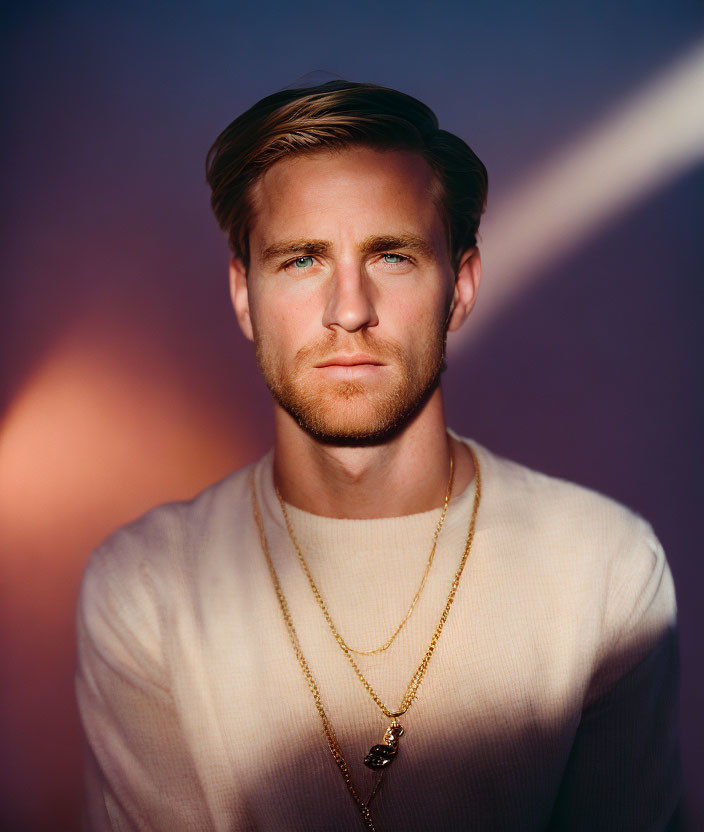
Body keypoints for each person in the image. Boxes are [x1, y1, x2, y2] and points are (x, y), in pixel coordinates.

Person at [75, 80, 681, 831]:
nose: (349, 310)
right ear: (242, 295)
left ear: (459, 288)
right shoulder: (145, 588)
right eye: (301, 260)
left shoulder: (606, 567)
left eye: (391, 256)